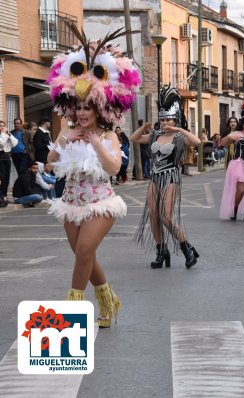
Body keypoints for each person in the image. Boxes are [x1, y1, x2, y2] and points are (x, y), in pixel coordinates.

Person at [45, 26, 141, 327]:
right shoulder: (68, 133)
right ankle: (108, 300)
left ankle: (72, 311)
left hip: (100, 204)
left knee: (85, 250)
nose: (83, 112)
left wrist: (96, 142)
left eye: (88, 107)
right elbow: (49, 162)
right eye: (79, 107)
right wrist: (65, 138)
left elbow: (114, 169)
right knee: (84, 256)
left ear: (99, 109)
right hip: (70, 204)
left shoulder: (108, 135)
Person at [132, 85, 200, 269]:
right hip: (155, 177)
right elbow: (135, 139)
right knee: (153, 216)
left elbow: (197, 142)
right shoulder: (154, 135)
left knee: (166, 216)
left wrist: (179, 128)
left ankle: (187, 248)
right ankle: (161, 250)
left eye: (168, 119)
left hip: (170, 176)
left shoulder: (179, 137)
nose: (164, 123)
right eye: (162, 120)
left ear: (175, 119)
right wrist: (143, 128)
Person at [0, 120, 18, 202]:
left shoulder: (6, 135)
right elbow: (1, 143)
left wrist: (9, 134)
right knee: (2, 177)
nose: (2, 127)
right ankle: (1, 195)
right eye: (0, 126)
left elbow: (15, 143)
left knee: (7, 178)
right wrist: (3, 134)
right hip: (0, 156)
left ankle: (4, 195)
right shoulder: (2, 136)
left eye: (3, 126)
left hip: (7, 156)